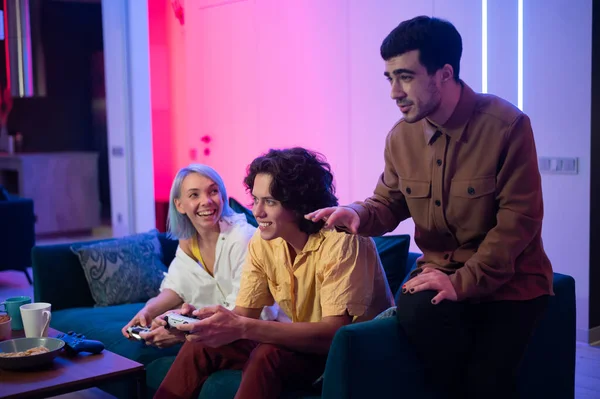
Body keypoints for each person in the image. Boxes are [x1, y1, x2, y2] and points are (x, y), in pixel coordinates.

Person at [306, 15, 553, 399]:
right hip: (438, 276)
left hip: (510, 283)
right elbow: (388, 202)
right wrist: (356, 213)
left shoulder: (507, 126)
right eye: (389, 78)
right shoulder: (401, 138)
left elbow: (518, 224)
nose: (393, 92)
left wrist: (460, 283)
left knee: (486, 380)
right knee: (420, 318)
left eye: (405, 76)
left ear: (444, 73)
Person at [153, 148, 394, 399]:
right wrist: (200, 323)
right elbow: (244, 314)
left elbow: (334, 334)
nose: (257, 212)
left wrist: (244, 327)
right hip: (305, 345)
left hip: (353, 354)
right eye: (255, 200)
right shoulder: (263, 241)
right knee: (201, 345)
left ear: (299, 204)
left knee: (268, 354)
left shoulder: (342, 240)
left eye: (269, 201)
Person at [121, 164, 278, 348]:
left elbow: (243, 314)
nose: (206, 201)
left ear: (222, 196)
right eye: (194, 195)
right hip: (226, 329)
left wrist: (182, 334)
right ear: (179, 205)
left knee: (193, 347)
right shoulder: (188, 242)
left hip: (259, 329)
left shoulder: (243, 238)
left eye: (213, 191)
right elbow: (175, 288)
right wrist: (147, 312)